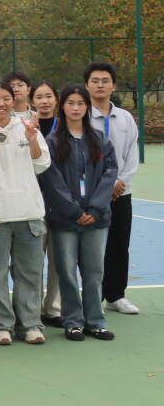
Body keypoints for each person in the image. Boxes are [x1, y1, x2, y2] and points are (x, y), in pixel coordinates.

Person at [39, 84, 118, 341]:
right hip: (65, 219)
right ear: (62, 107)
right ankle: (73, 321)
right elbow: (51, 180)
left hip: (97, 219)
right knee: (66, 272)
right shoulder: (52, 142)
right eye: (70, 103)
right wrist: (73, 210)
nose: (75, 108)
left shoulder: (100, 140)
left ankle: (95, 321)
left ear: (87, 107)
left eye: (80, 103)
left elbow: (110, 173)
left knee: (94, 273)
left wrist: (95, 208)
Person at [0, 80, 51, 346]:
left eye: (6, 98)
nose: (1, 103)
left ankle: (30, 324)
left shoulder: (27, 127)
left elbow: (42, 163)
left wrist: (32, 140)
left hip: (29, 214)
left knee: (30, 273)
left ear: (14, 100)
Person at [84, 62, 140, 316]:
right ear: (87, 86)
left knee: (119, 244)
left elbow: (131, 154)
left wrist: (120, 182)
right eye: (95, 81)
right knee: (92, 248)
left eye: (105, 81)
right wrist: (104, 185)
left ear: (114, 86)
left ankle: (116, 295)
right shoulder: (81, 116)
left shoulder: (125, 118)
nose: (100, 85)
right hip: (92, 193)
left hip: (121, 193)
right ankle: (93, 296)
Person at [30, 80, 63, 326]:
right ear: (32, 101)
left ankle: (54, 309)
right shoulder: (24, 127)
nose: (44, 101)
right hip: (33, 201)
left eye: (48, 96)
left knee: (58, 258)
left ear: (56, 100)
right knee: (32, 260)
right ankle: (32, 308)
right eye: (39, 97)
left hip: (60, 202)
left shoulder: (65, 127)